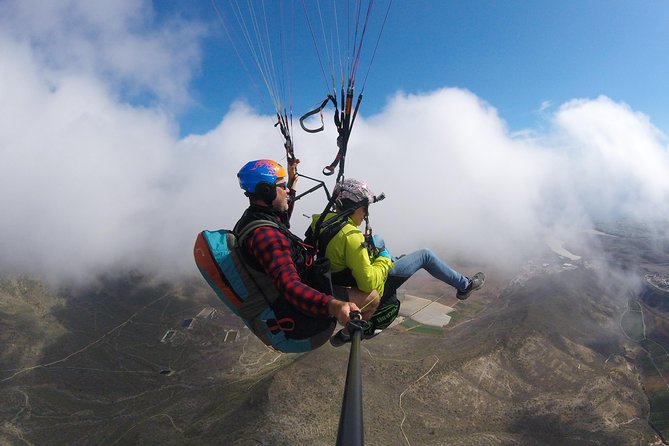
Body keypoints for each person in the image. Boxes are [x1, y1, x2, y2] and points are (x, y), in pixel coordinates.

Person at [310, 178, 485, 346]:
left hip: (338, 276)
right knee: (425, 255)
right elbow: (368, 282)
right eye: (364, 209)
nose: (365, 214)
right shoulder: (351, 237)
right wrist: (385, 260)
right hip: (374, 283)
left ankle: (395, 260)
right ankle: (465, 286)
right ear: (353, 207)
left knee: (378, 239)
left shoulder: (322, 221)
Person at [233, 159, 373, 349]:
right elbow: (290, 286)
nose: (287, 191)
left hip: (294, 298)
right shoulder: (267, 237)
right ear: (266, 191)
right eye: (281, 186)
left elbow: (281, 220)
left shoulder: (255, 218)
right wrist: (335, 306)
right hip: (296, 323)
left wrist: (292, 181)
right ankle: (347, 335)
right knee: (372, 296)